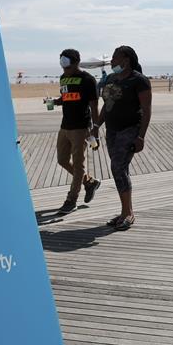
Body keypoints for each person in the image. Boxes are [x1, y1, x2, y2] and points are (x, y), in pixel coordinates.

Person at [95, 46, 152, 230]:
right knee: (120, 169)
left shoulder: (139, 80)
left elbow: (146, 110)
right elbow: (107, 105)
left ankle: (128, 213)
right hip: (112, 130)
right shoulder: (111, 78)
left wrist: (141, 137)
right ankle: (125, 211)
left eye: (114, 58)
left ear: (126, 60)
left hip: (130, 129)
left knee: (117, 167)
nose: (112, 61)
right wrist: (96, 126)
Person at [52, 49, 101, 214]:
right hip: (65, 126)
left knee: (78, 165)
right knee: (62, 160)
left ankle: (71, 200)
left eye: (67, 67)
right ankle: (89, 182)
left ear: (76, 63)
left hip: (81, 128)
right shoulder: (63, 78)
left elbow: (94, 106)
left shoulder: (88, 80)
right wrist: (56, 101)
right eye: (63, 67)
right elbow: (66, 97)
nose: (65, 70)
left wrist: (95, 130)